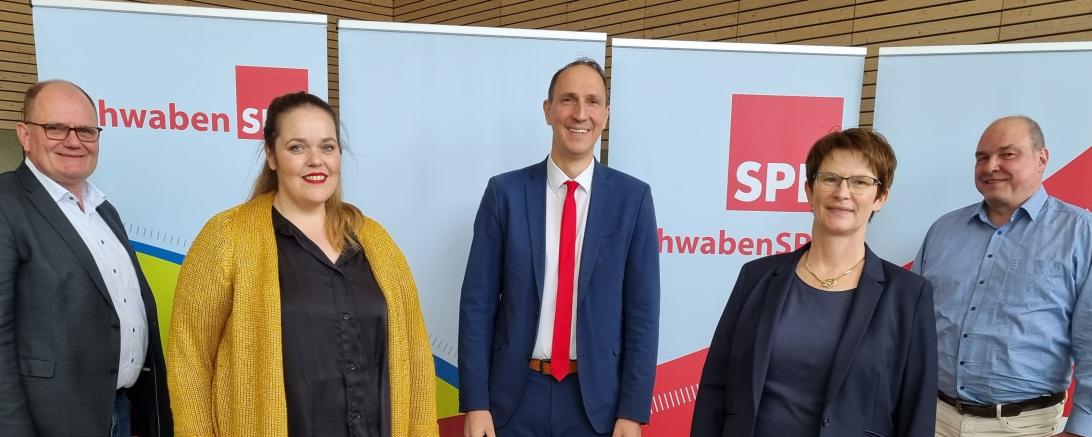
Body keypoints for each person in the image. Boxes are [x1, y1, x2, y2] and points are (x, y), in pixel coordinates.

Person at [167, 91, 438, 437]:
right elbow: (190, 357)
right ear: (272, 156)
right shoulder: (227, 237)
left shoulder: (376, 242)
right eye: (297, 147)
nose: (316, 160)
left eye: (327, 147)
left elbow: (415, 355)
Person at [458, 58, 660, 437]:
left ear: (606, 113)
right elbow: (477, 304)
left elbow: (643, 316)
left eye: (593, 101)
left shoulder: (633, 200)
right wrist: (476, 403)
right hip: (512, 400)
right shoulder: (504, 194)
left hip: (596, 405)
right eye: (568, 100)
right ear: (548, 110)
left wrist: (632, 412)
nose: (580, 113)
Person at [691, 128, 937, 437]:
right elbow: (716, 387)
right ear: (810, 190)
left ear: (881, 197)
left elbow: (916, 411)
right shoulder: (756, 277)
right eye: (830, 179)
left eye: (860, 182)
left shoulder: (908, 295)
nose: (842, 193)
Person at [0, 80, 173, 436]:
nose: (74, 140)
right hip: (51, 422)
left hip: (122, 411)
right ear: (24, 134)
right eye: (55, 128)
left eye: (86, 130)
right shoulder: (6, 203)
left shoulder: (103, 210)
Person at [913, 115, 1092, 437]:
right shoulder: (943, 230)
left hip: (1026, 427)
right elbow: (914, 329)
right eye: (982, 157)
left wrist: (1082, 429)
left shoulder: (1080, 233)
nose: (991, 166)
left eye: (1007, 154)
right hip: (934, 418)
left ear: (1042, 159)